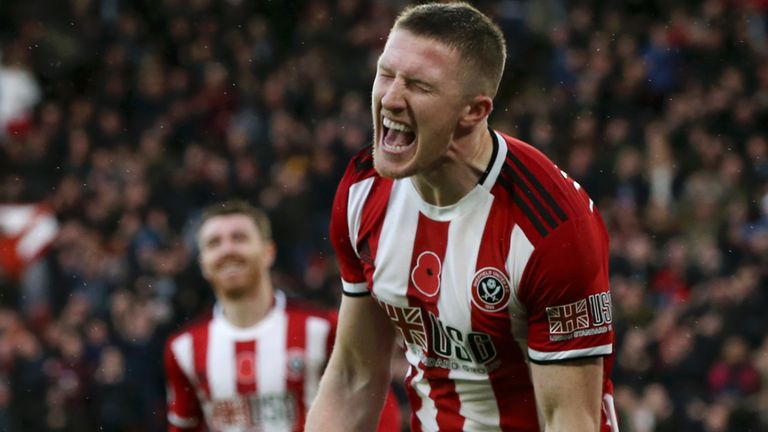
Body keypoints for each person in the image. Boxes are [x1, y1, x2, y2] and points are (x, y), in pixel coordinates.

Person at [307, 3, 617, 432]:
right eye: (386, 73)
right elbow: (353, 376)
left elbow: (568, 418)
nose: (391, 98)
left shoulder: (550, 229)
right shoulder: (363, 190)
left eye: (418, 85)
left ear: (473, 111)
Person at [164, 200, 401, 432]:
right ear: (203, 263)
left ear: (268, 252)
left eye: (239, 238)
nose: (227, 250)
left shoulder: (322, 329)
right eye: (214, 243)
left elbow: (377, 408)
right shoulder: (183, 348)